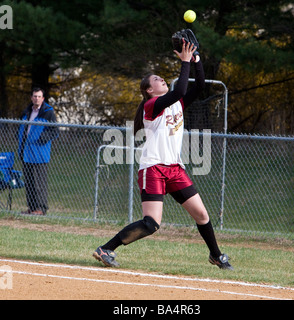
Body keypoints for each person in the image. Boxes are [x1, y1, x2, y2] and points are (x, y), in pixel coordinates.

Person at [93, 40, 233, 270]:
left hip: (175, 169)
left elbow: (198, 87)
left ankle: (216, 255)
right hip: (154, 168)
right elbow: (179, 89)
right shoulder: (152, 105)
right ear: (149, 90)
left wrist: (196, 60)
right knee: (151, 224)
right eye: (156, 79)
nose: (161, 80)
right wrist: (184, 61)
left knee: (201, 214)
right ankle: (106, 248)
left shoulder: (175, 104)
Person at [18, 88, 58, 215]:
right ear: (31, 97)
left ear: (43, 98)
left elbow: (54, 131)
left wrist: (41, 138)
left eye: (39, 96)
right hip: (26, 153)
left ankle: (41, 209)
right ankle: (32, 207)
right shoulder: (27, 112)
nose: (36, 98)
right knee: (29, 183)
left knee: (39, 183)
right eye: (34, 96)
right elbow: (21, 129)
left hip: (40, 154)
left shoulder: (48, 112)